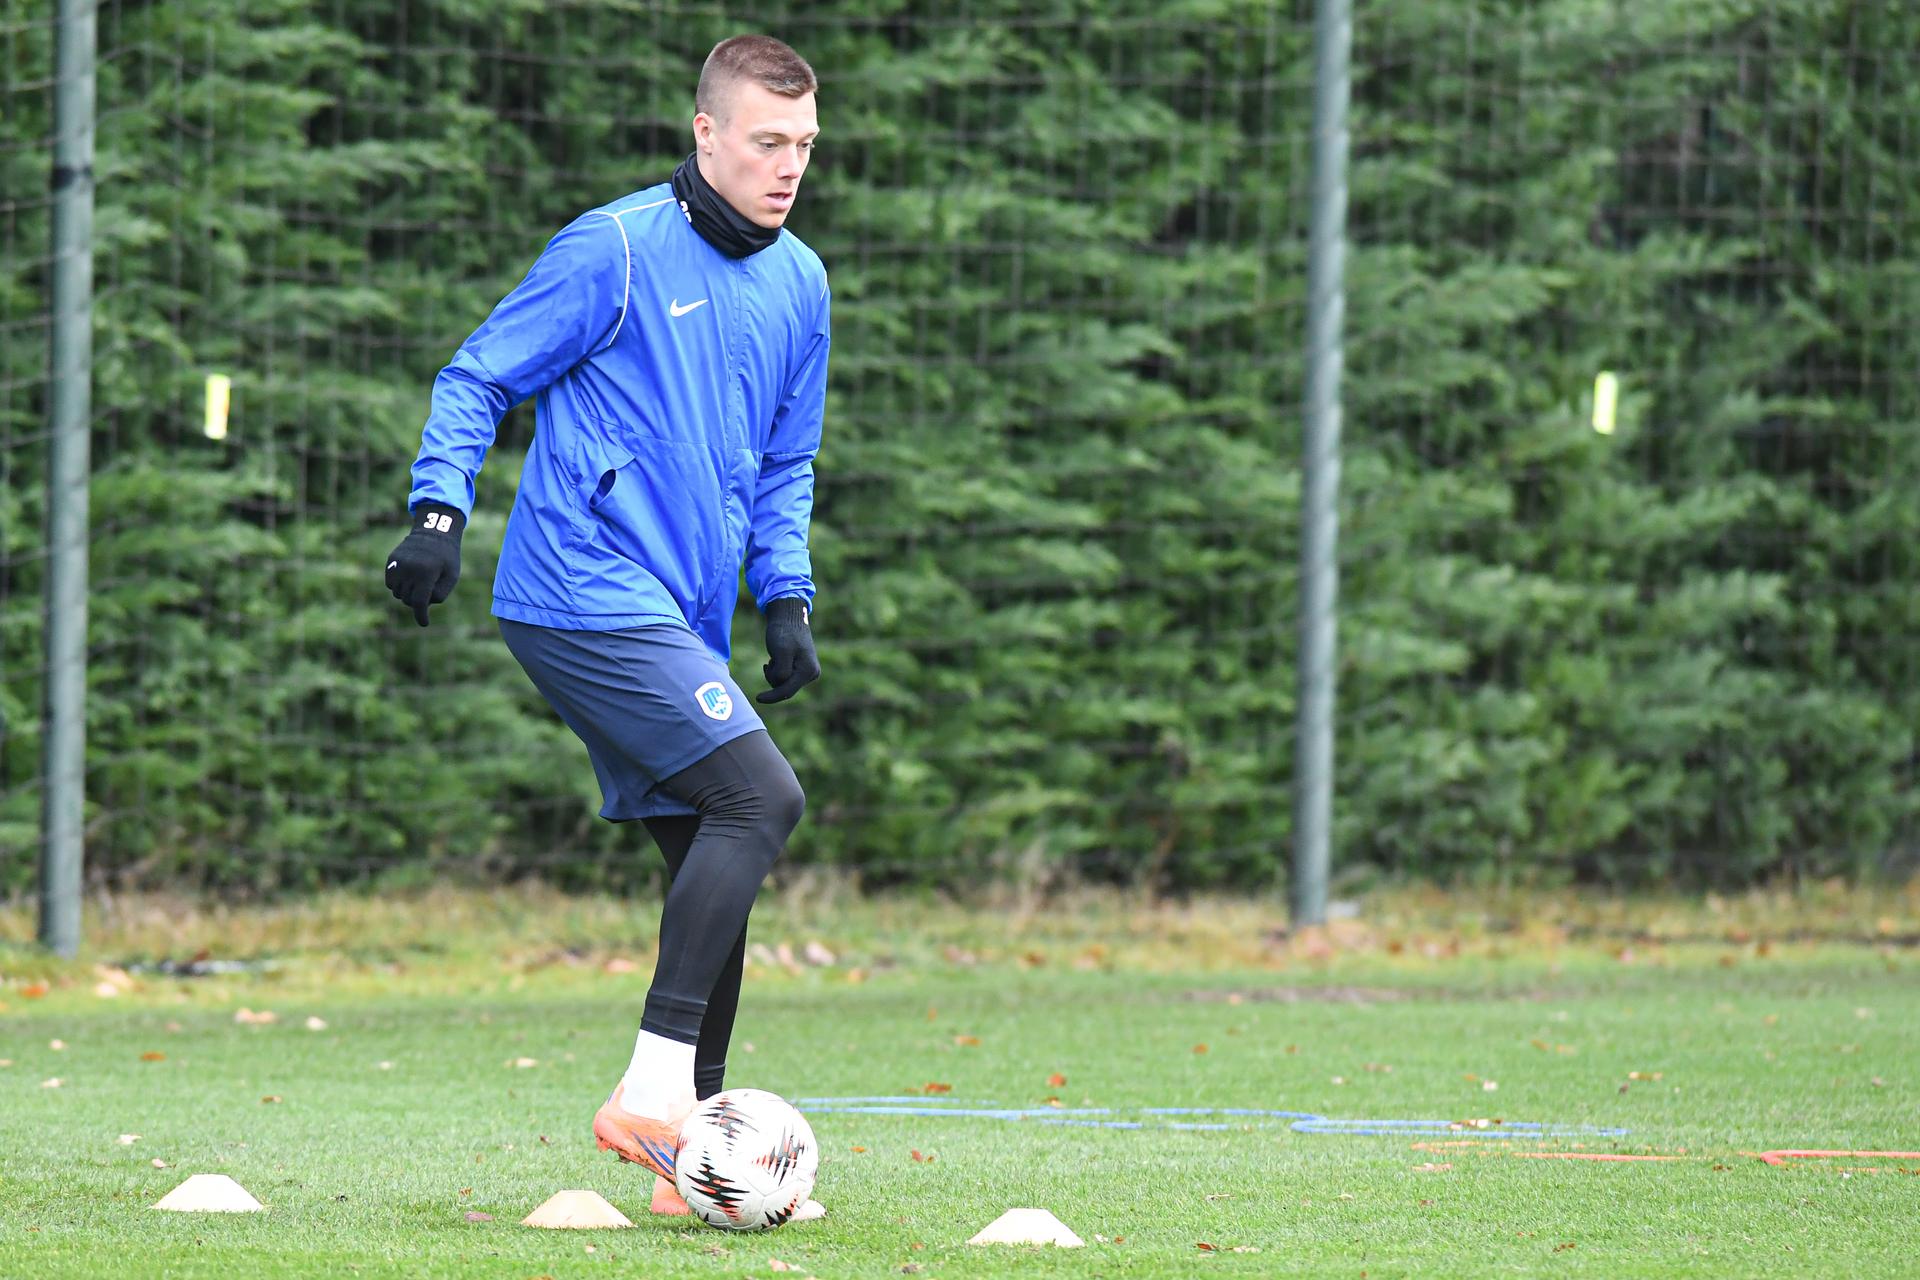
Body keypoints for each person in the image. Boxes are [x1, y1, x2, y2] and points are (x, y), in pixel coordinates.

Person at [383, 34, 829, 1220]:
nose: (788, 168)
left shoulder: (802, 281)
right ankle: (652, 1092)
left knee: (708, 853)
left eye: (804, 146)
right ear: (707, 135)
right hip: (576, 587)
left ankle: (697, 1161)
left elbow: (787, 460)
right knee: (761, 798)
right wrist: (439, 509)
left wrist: (785, 596)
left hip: (675, 611)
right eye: (767, 142)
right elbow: (478, 374)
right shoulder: (616, 248)